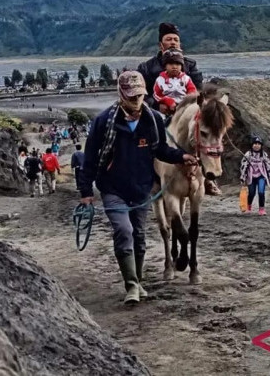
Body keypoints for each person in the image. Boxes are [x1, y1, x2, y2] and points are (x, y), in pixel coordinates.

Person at [78, 70, 197, 305]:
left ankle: (138, 280)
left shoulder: (152, 119)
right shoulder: (103, 121)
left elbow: (161, 150)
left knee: (139, 236)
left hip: (141, 188)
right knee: (124, 231)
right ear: (121, 94)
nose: (136, 100)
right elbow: (89, 158)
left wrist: (182, 157)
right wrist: (85, 192)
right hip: (112, 188)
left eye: (140, 95)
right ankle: (131, 285)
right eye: (131, 96)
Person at [138, 23, 218, 195]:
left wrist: (187, 106)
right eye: (168, 39)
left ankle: (208, 178)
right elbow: (142, 94)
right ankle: (148, 176)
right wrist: (157, 104)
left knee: (209, 133)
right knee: (145, 137)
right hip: (157, 112)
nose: (173, 42)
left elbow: (198, 91)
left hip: (186, 111)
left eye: (176, 39)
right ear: (161, 44)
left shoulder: (190, 65)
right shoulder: (146, 67)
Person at [152, 49, 198, 116]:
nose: (174, 67)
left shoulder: (186, 78)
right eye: (171, 64)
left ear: (181, 66)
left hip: (184, 105)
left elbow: (192, 91)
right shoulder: (160, 80)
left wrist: (187, 102)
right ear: (165, 66)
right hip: (167, 107)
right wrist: (167, 101)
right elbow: (156, 95)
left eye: (177, 64)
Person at [239, 136, 270, 215]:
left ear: (261, 145)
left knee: (261, 192)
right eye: (255, 144)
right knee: (251, 193)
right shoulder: (248, 154)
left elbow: (268, 166)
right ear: (252, 145)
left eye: (258, 144)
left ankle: (261, 209)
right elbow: (243, 166)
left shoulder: (264, 154)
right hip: (251, 176)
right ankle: (248, 206)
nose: (257, 145)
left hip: (261, 175)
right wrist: (243, 178)